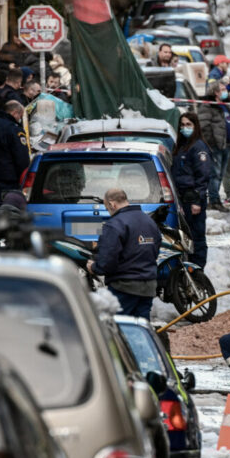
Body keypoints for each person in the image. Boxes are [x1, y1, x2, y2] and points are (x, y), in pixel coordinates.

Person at [86, 189, 160, 320]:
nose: (108, 210)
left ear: (112, 204)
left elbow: (107, 261)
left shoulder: (114, 225)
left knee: (119, 330)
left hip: (124, 288)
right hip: (148, 286)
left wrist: (94, 267)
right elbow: (155, 249)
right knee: (141, 327)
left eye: (106, 207)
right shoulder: (148, 220)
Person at [171, 110, 213, 267]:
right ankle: (189, 268)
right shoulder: (182, 146)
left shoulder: (198, 147)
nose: (184, 127)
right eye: (182, 125)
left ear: (195, 126)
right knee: (186, 236)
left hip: (193, 199)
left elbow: (203, 176)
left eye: (188, 124)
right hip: (182, 199)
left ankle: (198, 270)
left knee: (197, 237)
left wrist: (197, 200)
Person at [198, 80, 230, 212]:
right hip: (216, 146)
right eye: (222, 89)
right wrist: (212, 143)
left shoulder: (225, 105)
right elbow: (204, 126)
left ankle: (215, 199)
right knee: (215, 174)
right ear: (215, 92)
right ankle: (214, 201)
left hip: (227, 145)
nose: (225, 91)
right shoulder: (208, 106)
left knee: (220, 174)